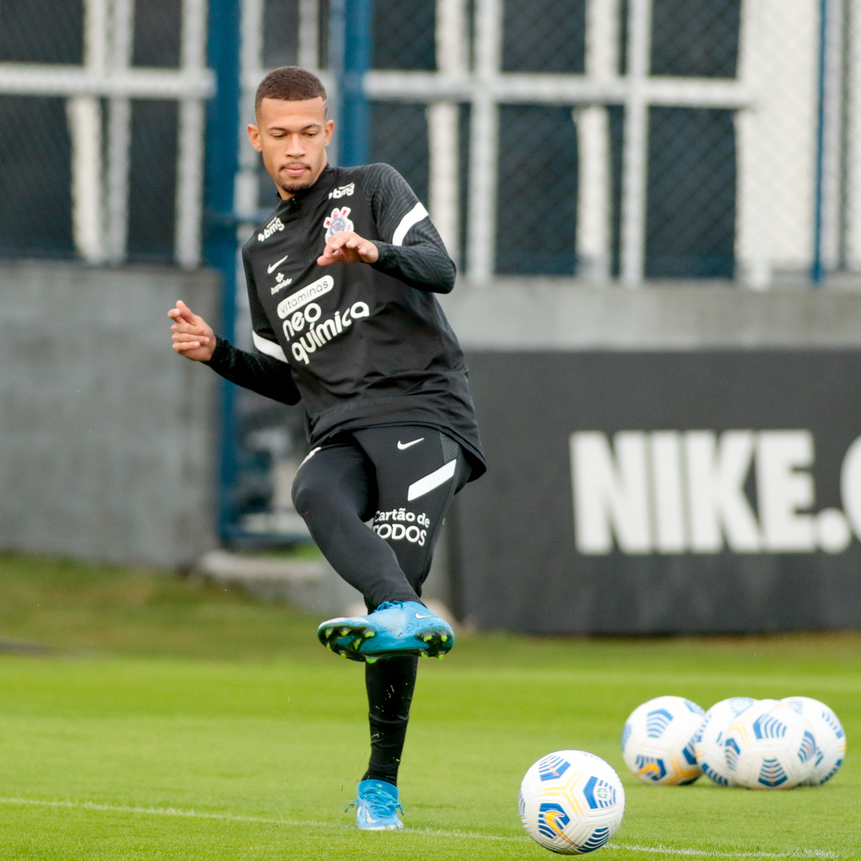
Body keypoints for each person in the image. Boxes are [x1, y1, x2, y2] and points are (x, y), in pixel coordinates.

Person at [168, 66, 485, 831]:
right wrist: (216, 352)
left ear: (327, 133)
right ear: (255, 139)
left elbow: (441, 270)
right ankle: (408, 611)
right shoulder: (261, 252)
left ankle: (380, 782)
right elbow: (289, 381)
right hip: (340, 426)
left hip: (424, 411)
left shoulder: (373, 187)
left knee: (391, 586)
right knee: (312, 490)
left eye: (309, 131)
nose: (296, 147)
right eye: (279, 134)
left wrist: (372, 252)